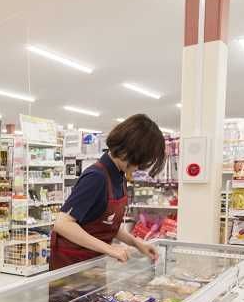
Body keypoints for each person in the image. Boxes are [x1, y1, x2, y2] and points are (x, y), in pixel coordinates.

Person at [50, 114, 166, 269]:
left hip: (92, 264)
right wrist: (109, 249)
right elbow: (62, 224)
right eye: (140, 161)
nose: (139, 168)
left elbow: (107, 225)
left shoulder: (119, 176)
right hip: (70, 266)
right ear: (127, 151)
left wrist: (136, 243)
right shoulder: (96, 177)